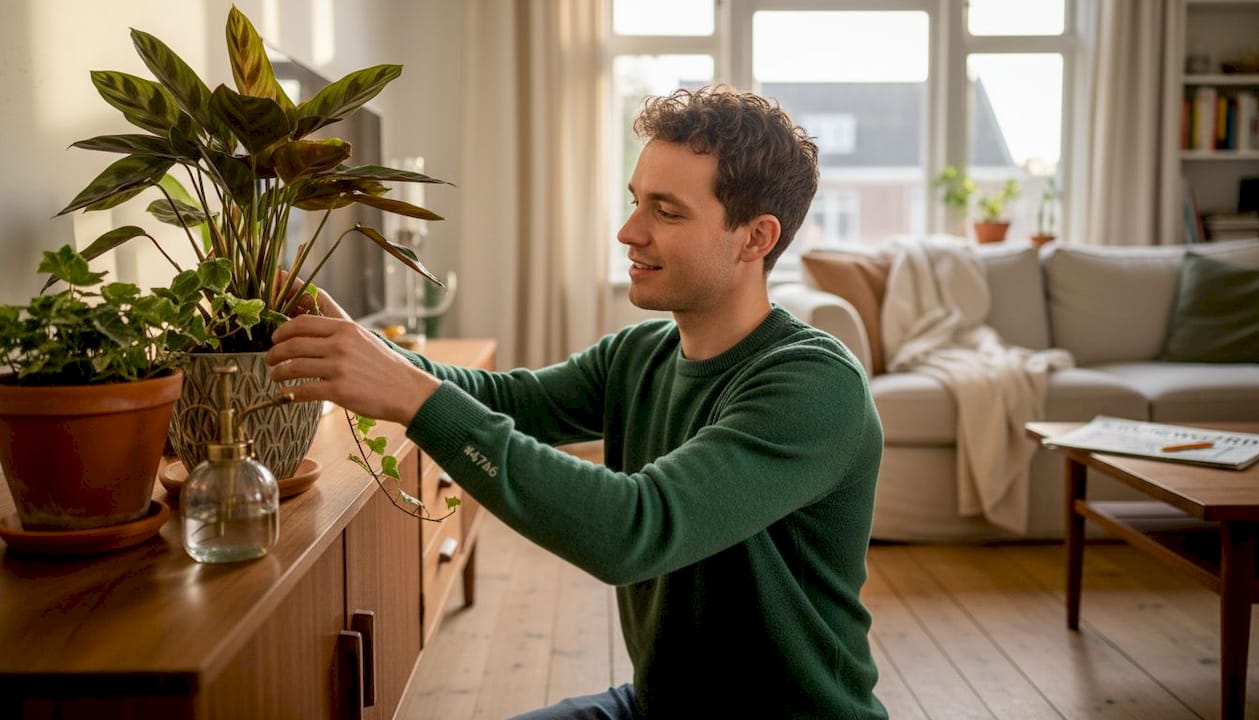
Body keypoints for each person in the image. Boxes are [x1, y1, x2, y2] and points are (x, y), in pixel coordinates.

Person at [266, 85, 887, 719]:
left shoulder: (814, 385)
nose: (629, 232)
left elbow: (632, 529)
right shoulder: (640, 355)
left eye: (667, 212)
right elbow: (507, 398)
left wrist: (412, 397)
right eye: (636, 202)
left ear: (755, 238)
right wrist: (361, 347)